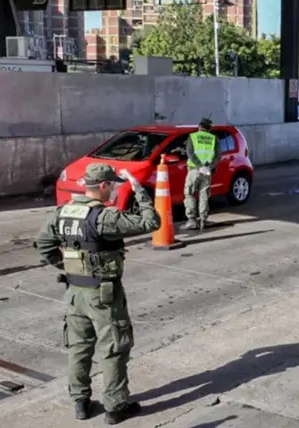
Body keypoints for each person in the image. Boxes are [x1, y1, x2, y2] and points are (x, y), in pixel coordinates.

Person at [34, 163, 160, 424]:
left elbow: (44, 244)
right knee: (114, 347)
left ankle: (80, 403)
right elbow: (151, 221)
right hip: (103, 294)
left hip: (74, 292)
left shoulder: (62, 213)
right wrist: (139, 190)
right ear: (103, 186)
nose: (113, 190)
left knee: (79, 348)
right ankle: (115, 407)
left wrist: (66, 265)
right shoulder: (104, 217)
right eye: (112, 185)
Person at [183, 118, 220, 230]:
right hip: (207, 171)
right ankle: (203, 219)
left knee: (190, 194)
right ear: (209, 129)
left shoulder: (192, 136)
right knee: (204, 195)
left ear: (199, 126)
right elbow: (218, 156)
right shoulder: (214, 138)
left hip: (195, 170)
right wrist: (209, 167)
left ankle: (192, 220)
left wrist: (199, 166)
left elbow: (190, 153)